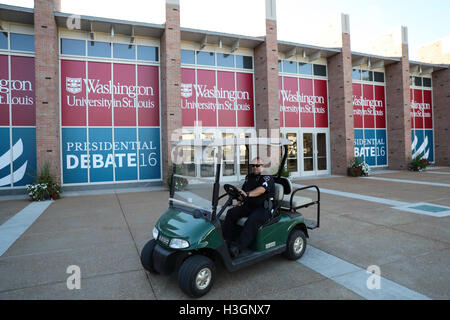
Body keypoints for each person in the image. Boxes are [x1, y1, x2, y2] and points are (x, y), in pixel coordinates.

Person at [222, 157, 275, 258]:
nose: (254, 167)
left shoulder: (267, 176)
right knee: (231, 213)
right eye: (253, 165)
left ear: (262, 166)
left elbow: (261, 190)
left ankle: (238, 248)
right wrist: (240, 199)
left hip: (264, 207)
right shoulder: (249, 177)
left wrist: (247, 194)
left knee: (252, 220)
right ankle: (226, 240)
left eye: (257, 165)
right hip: (250, 205)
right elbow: (243, 192)